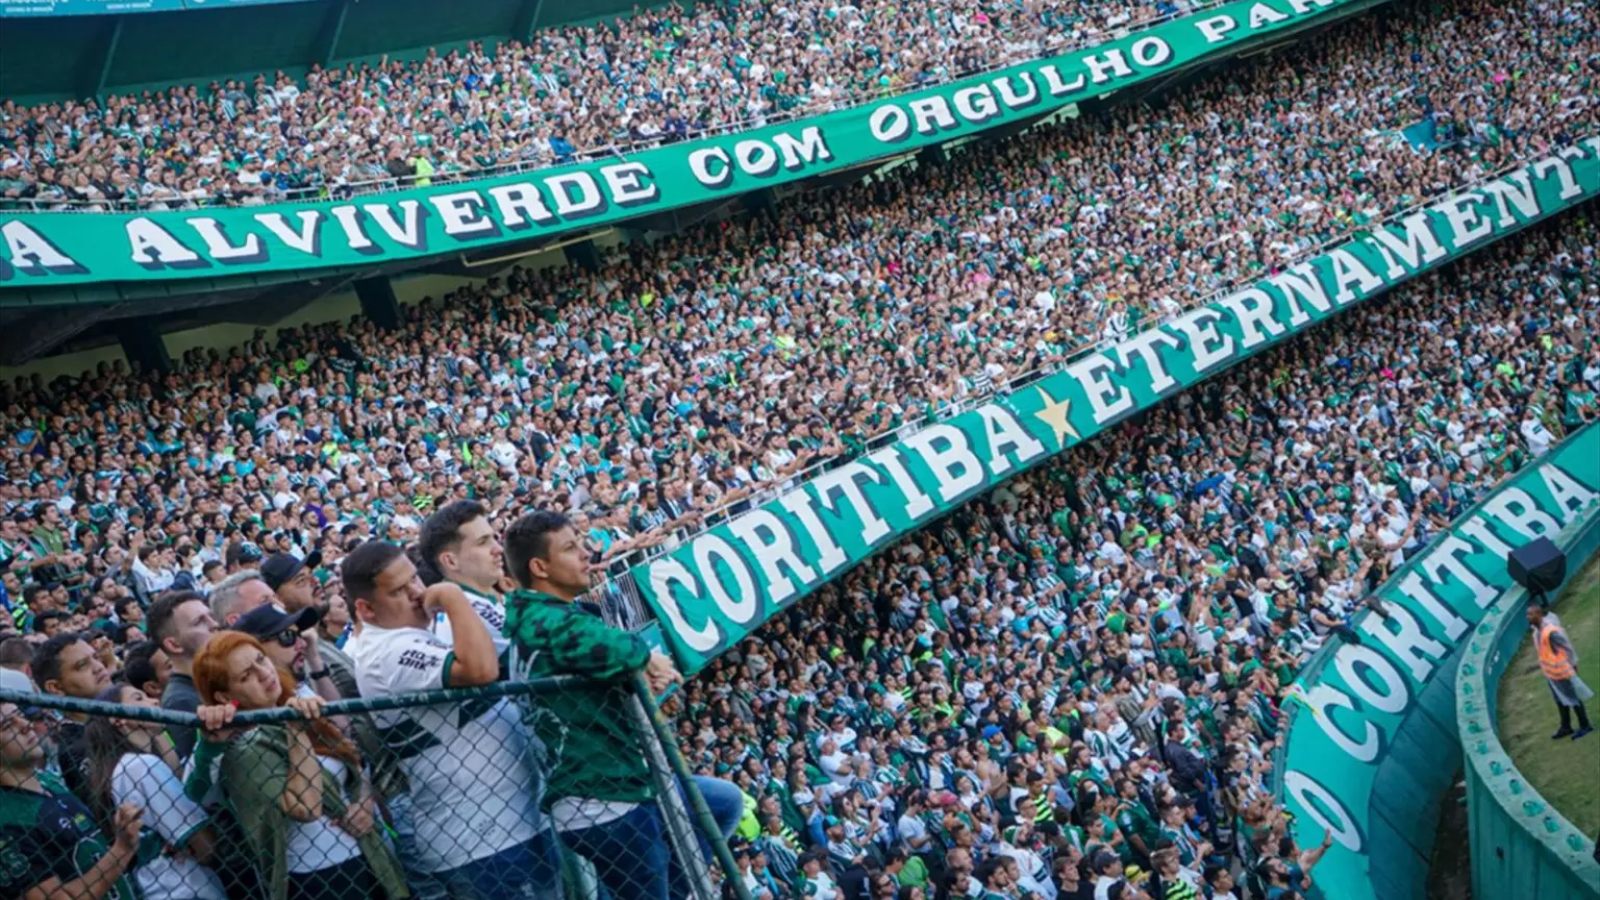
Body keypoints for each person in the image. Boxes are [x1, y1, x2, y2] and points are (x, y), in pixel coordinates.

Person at [501, 509, 743, 899]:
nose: (586, 553)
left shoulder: (546, 618)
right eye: (570, 547)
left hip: (622, 783)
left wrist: (635, 666)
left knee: (722, 802)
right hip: (603, 797)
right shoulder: (545, 621)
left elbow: (601, 650)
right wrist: (646, 658)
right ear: (539, 568)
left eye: (581, 542)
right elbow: (614, 646)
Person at [341, 539, 561, 899]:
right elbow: (480, 669)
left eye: (414, 579)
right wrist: (453, 598)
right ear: (365, 609)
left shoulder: (410, 633)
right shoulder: (386, 651)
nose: (416, 593)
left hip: (511, 823)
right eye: (399, 590)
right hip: (481, 839)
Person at [190, 631, 409, 900]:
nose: (263, 673)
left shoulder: (296, 702)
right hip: (318, 878)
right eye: (246, 675)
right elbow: (306, 806)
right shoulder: (242, 748)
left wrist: (363, 800)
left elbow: (354, 759)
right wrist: (296, 730)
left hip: (368, 857)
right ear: (225, 697)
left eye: (261, 659)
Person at [83, 683, 227, 899]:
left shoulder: (125, 766)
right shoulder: (140, 765)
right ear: (118, 718)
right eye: (139, 698)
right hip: (184, 891)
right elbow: (205, 846)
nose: (154, 701)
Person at [0, 699, 143, 899]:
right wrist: (121, 850)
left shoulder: (48, 781)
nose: (25, 725)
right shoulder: (7, 819)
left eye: (20, 716)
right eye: (7, 725)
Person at [413, 500, 511, 653]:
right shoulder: (457, 617)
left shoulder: (496, 597)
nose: (498, 549)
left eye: (494, 538)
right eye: (483, 542)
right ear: (451, 561)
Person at [32, 631, 112, 799]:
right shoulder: (76, 749)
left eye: (96, 658)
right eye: (82, 665)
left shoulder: (113, 717)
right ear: (56, 688)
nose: (98, 667)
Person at [146, 590, 218, 759]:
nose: (214, 624)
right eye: (199, 621)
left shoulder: (209, 681)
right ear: (174, 644)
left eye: (210, 616)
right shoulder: (180, 702)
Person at [1527, 604, 1594, 740]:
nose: (1528, 617)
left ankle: (1585, 725)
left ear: (1539, 614)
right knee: (1559, 699)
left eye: (1531, 614)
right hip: (1551, 673)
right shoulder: (1536, 630)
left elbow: (1567, 648)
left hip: (1562, 672)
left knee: (1572, 698)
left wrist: (1573, 665)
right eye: (1527, 614)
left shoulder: (1550, 631)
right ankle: (1566, 726)